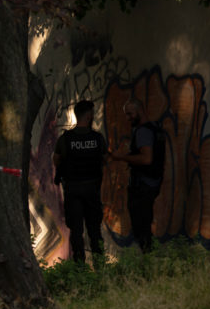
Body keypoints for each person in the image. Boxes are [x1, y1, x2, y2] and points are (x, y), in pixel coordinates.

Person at [53, 100, 107, 263]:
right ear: (90, 115)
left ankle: (79, 267)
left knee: (76, 231)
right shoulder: (97, 138)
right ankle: (99, 264)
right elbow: (104, 160)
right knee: (94, 229)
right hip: (92, 188)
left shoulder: (66, 139)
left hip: (73, 189)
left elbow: (56, 159)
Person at [110, 97, 165, 252]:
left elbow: (146, 159)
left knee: (140, 226)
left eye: (130, 114)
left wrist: (121, 156)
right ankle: (148, 257)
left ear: (139, 110)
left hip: (143, 186)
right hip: (153, 183)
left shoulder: (143, 132)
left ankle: (148, 259)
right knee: (144, 224)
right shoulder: (155, 128)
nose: (128, 118)